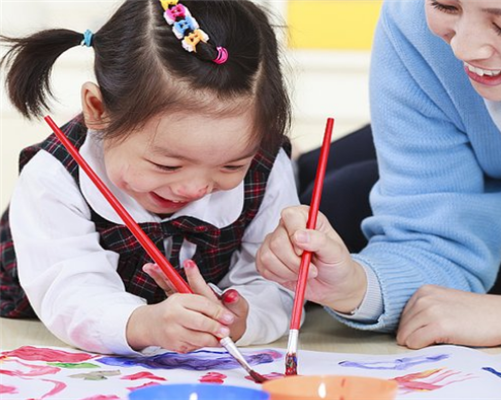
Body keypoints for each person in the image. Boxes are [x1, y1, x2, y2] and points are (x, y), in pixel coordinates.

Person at [257, 0, 501, 349]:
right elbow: (429, 240)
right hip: (492, 170)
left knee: (344, 200)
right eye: (445, 6)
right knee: (317, 193)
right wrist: (353, 287)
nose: (462, 48)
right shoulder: (413, 19)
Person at [0, 0, 299, 355]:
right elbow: (70, 292)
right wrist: (144, 324)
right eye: (167, 165)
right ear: (97, 110)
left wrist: (243, 319)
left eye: (231, 166)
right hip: (35, 323)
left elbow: (277, 285)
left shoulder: (266, 165)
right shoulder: (55, 175)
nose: (196, 188)